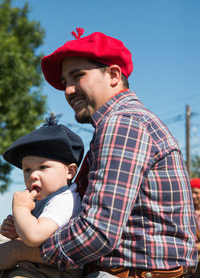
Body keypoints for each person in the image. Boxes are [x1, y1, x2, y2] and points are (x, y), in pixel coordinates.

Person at [0, 28, 198, 278]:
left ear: (114, 75)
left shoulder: (122, 124)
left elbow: (98, 232)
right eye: (65, 82)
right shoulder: (123, 123)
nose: (69, 90)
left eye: (78, 76)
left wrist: (19, 251)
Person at [0, 113, 84, 278]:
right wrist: (16, 230)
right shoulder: (43, 198)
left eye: (43, 167)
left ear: (70, 171)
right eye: (27, 169)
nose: (33, 175)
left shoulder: (65, 199)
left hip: (55, 270)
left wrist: (21, 209)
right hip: (35, 265)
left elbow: (35, 236)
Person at [190, 178, 200, 278]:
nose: (193, 196)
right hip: (191, 262)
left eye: (196, 193)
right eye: (191, 192)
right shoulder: (187, 214)